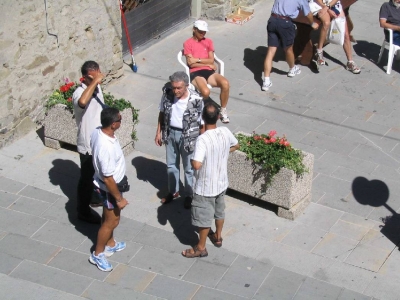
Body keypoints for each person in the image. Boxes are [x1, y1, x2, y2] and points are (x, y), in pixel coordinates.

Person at [182, 101, 239, 258]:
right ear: (219, 117)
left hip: (205, 186)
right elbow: (236, 145)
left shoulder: (203, 140)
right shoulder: (225, 131)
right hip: (222, 182)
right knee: (220, 212)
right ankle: (218, 237)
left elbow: (197, 164)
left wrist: (194, 159)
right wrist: (223, 152)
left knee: (203, 218)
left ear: (202, 117)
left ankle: (201, 247)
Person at [155, 71, 204, 209]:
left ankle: (189, 195)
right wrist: (158, 132)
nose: (175, 91)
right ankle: (173, 191)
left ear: (186, 86)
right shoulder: (167, 95)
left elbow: (202, 123)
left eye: (179, 88)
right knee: (171, 165)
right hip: (170, 133)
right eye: (174, 87)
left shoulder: (196, 100)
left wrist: (202, 142)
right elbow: (162, 112)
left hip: (188, 136)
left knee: (189, 168)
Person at [89, 107, 129, 272]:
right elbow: (108, 178)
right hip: (110, 189)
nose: (121, 121)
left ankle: (110, 243)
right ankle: (98, 254)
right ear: (113, 124)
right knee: (112, 221)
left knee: (107, 217)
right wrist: (119, 199)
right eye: (120, 119)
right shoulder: (105, 147)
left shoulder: (99, 132)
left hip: (107, 187)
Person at [73, 61, 106, 224]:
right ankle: (83, 211)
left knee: (97, 173)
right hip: (87, 144)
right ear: (86, 77)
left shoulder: (97, 87)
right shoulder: (79, 92)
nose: (99, 79)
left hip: (99, 140)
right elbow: (82, 103)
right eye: (94, 77)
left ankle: (95, 198)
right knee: (86, 178)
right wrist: (93, 82)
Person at [262, 0, 318, 91]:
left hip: (272, 20)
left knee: (270, 52)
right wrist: (312, 23)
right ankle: (292, 69)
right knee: (288, 49)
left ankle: (266, 81)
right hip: (285, 23)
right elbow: (308, 14)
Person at [183, 20, 230, 123]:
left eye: (204, 31)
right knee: (205, 92)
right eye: (200, 31)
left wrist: (198, 60)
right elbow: (191, 63)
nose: (203, 34)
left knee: (225, 83)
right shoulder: (188, 43)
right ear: (194, 30)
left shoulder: (208, 42)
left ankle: (223, 109)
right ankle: (203, 109)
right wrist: (207, 63)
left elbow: (211, 59)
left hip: (208, 72)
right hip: (195, 73)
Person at [311, 0, 361, 74]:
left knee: (345, 34)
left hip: (333, 4)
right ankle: (319, 51)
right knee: (326, 23)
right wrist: (327, 9)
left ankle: (350, 62)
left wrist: (328, 7)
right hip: (319, 5)